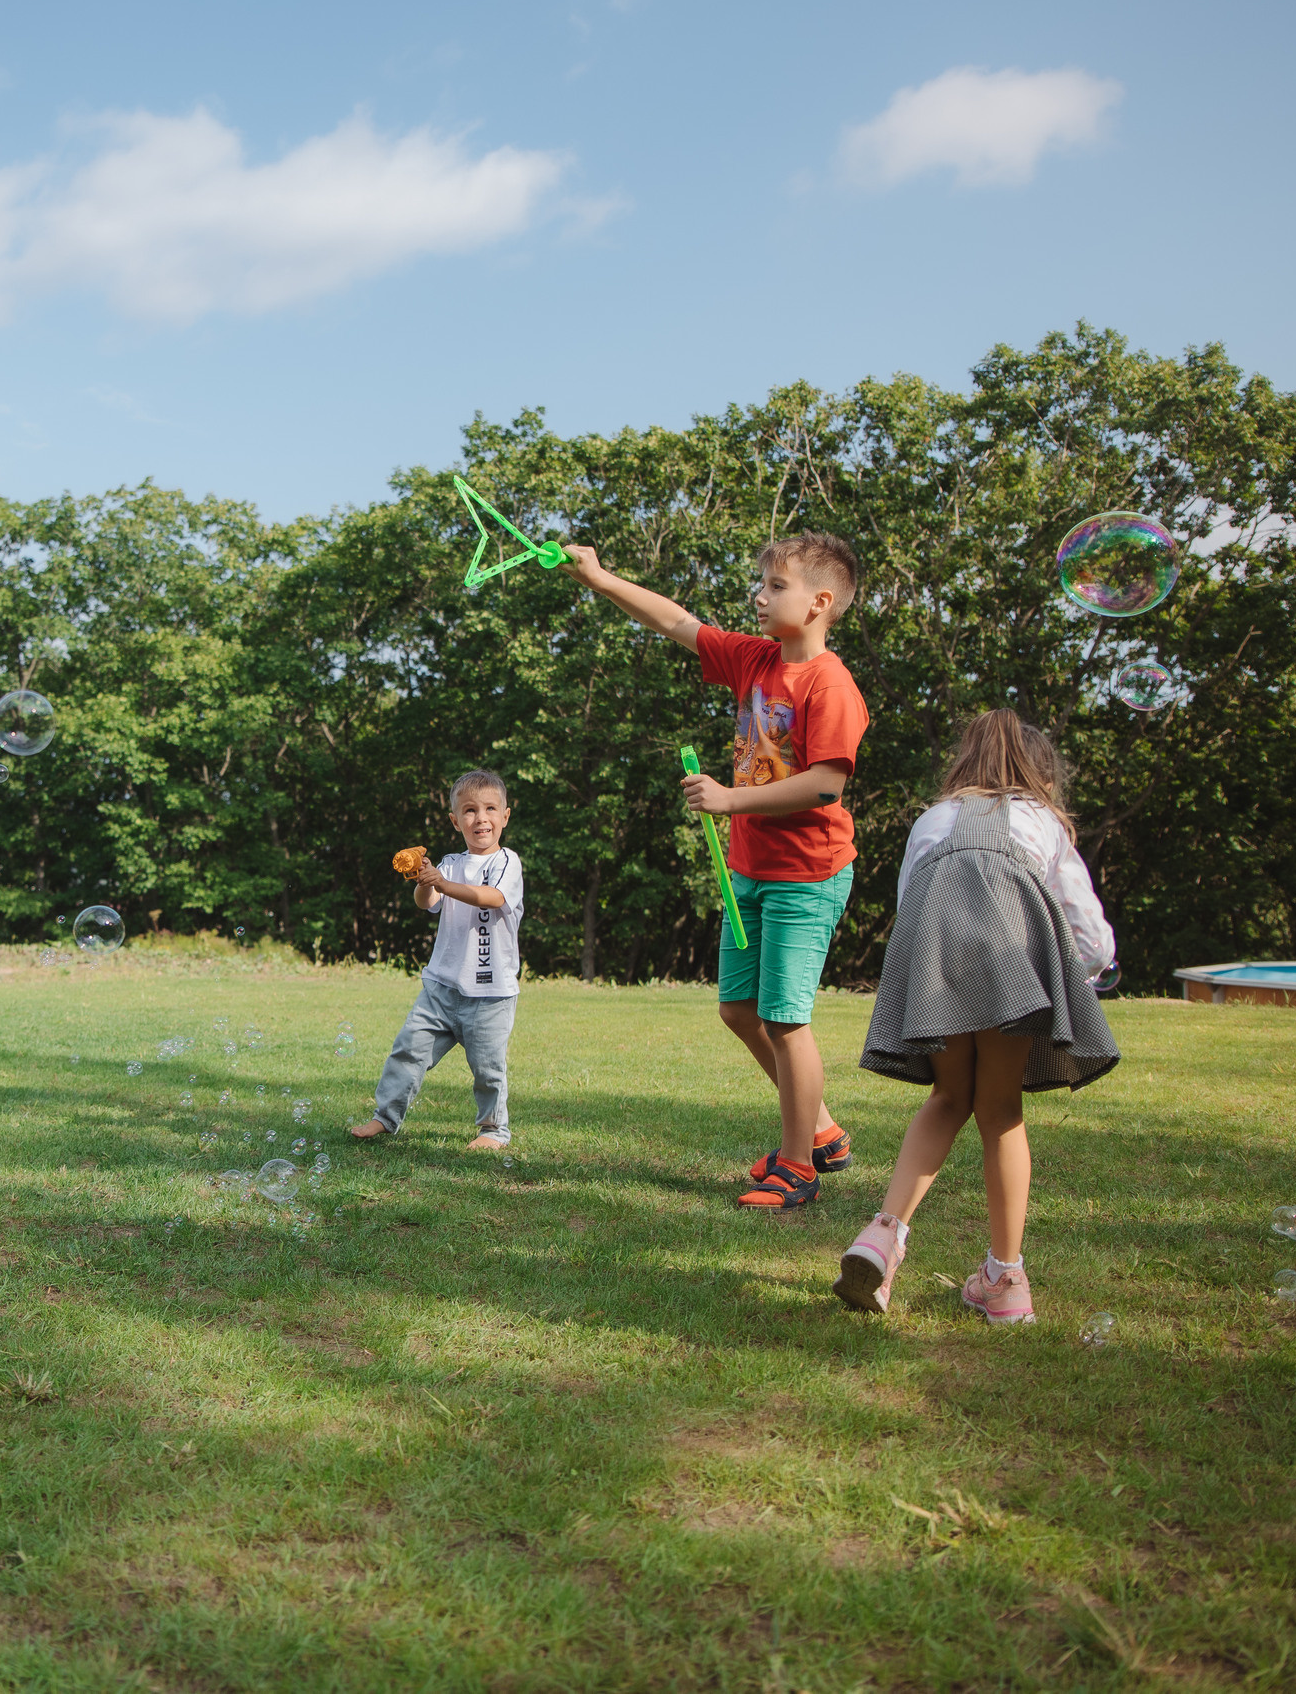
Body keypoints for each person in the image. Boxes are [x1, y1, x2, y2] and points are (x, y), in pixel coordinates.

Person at [562, 532, 869, 1209]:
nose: (760, 596)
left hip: (806, 875)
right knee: (738, 1009)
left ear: (820, 603)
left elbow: (825, 784)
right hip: (749, 869)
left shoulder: (830, 685)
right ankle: (821, 1130)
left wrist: (731, 800)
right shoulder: (755, 660)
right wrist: (601, 579)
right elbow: (676, 621)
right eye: (762, 584)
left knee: (785, 1019)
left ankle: (798, 1166)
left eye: (776, 586)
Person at [835, 710, 1119, 1325]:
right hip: (1010, 961)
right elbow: (1089, 931)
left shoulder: (933, 819)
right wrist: (1092, 967)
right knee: (1000, 1109)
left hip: (937, 957)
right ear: (1039, 771)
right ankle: (1005, 1280)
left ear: (965, 761)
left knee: (947, 1097)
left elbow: (912, 900)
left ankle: (882, 1236)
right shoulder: (1041, 820)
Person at [351, 770, 526, 1150]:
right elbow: (427, 903)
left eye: (490, 809)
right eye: (469, 810)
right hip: (441, 988)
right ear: (455, 820)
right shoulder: (448, 863)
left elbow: (493, 898)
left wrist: (442, 882)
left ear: (505, 816)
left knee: (488, 1070)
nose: (480, 818)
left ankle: (493, 1130)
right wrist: (424, 880)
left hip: (491, 994)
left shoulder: (507, 862)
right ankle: (385, 1117)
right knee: (407, 1052)